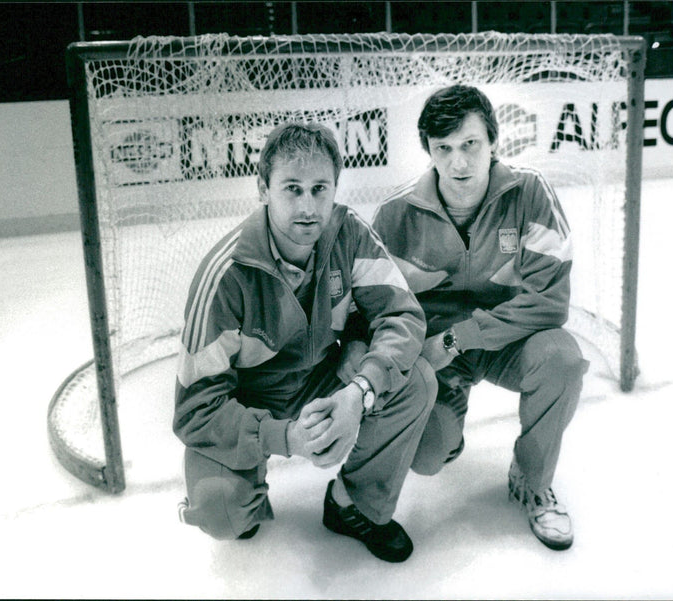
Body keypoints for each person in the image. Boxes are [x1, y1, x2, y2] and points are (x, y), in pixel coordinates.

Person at [173, 122, 437, 563]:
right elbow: (195, 410)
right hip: (248, 400)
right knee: (221, 509)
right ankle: (246, 490)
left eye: (320, 189)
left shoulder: (348, 233)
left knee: (417, 380)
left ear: (335, 189)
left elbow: (403, 316)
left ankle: (354, 505)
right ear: (263, 188)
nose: (308, 206)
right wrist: (286, 436)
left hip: (321, 379)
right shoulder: (226, 274)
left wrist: (359, 392)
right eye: (292, 189)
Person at [353, 84, 589, 551]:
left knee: (562, 358)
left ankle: (533, 479)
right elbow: (371, 309)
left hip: (509, 340)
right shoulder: (395, 213)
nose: (459, 162)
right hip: (436, 355)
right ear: (428, 152)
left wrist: (460, 337)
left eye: (470, 145)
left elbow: (550, 300)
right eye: (444, 148)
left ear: (493, 142)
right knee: (427, 456)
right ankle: (449, 431)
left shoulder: (530, 191)